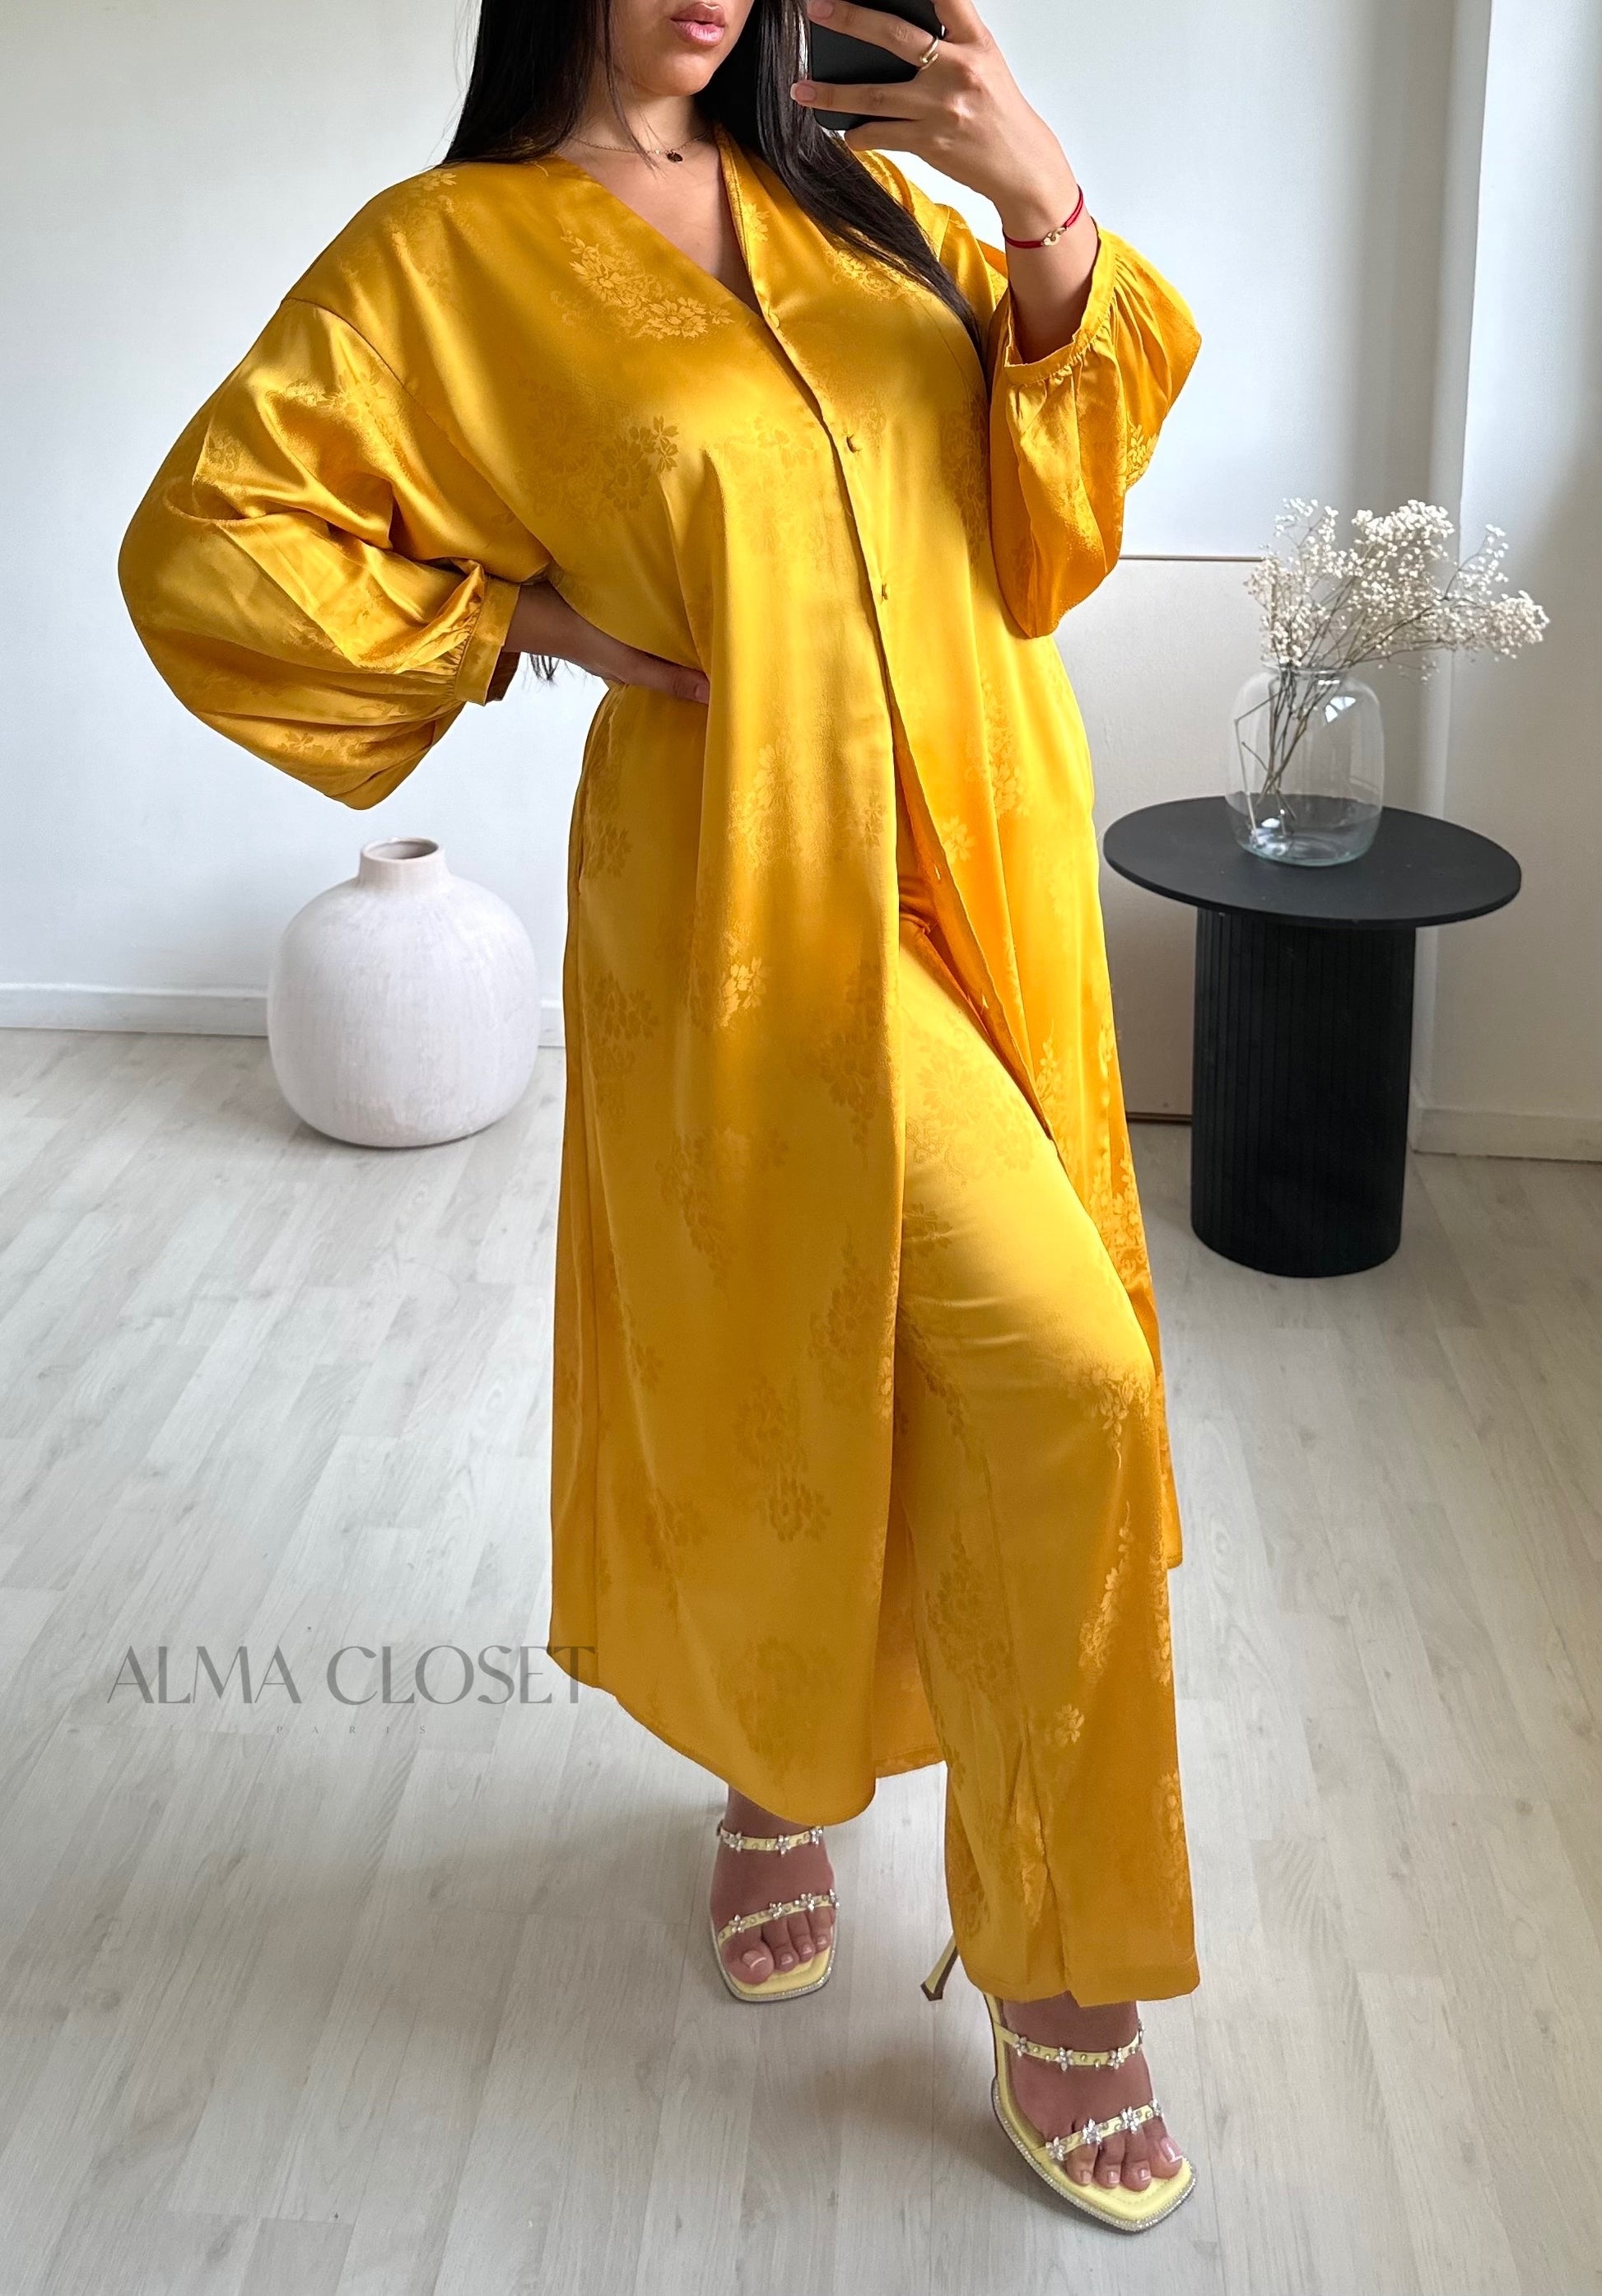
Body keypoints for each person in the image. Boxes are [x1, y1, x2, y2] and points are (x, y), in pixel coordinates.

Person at [119, 0, 1204, 2233]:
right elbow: (211, 543)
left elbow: (1043, 540)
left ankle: (852, 1810)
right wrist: (519, 617)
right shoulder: (449, 256)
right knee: (874, 1359)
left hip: (986, 855)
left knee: (1000, 1372)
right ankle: (1007, 1936)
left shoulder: (867, 202)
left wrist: (1041, 211)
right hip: (744, 893)